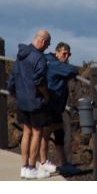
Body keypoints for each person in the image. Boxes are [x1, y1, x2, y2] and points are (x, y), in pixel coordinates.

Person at [6, 29, 52, 179]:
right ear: (43, 41)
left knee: (26, 131)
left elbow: (12, 76)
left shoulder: (21, 54)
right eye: (48, 45)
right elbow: (39, 80)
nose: (47, 48)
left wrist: (14, 92)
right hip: (35, 101)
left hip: (22, 99)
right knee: (37, 132)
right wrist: (46, 96)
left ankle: (24, 167)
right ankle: (32, 167)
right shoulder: (39, 58)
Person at [38, 41, 80, 176]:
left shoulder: (50, 61)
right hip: (49, 105)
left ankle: (63, 163)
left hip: (56, 106)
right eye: (64, 53)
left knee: (58, 132)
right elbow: (73, 71)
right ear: (57, 52)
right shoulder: (56, 65)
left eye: (69, 54)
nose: (66, 57)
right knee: (45, 132)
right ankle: (43, 163)